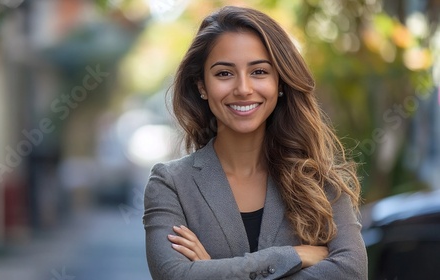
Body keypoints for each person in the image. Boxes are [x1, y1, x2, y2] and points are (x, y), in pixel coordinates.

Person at [143, 5, 367, 280]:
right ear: (202, 85)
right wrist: (290, 256)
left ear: (280, 82)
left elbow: (351, 272)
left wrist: (211, 269)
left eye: (259, 71)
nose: (244, 89)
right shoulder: (171, 184)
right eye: (224, 73)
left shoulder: (320, 180)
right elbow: (174, 275)